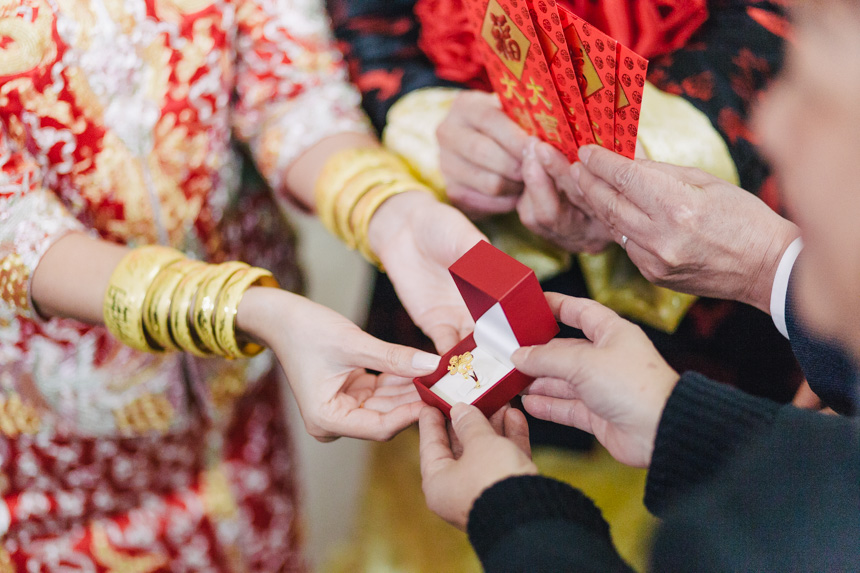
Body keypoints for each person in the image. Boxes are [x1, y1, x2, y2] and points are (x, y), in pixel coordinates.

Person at [0, 0, 488, 566]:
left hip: (239, 403)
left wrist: (388, 210)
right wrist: (239, 307)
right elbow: (14, 226)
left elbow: (292, 92)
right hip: (44, 440)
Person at [417, 0, 860, 569]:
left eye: (816, 99)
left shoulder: (746, 539)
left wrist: (512, 511)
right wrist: (672, 418)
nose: (772, 128)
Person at [330, 0, 802, 401]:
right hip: (457, 280)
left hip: (719, 310)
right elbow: (366, 20)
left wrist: (658, 157)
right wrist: (428, 121)